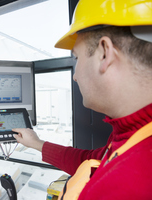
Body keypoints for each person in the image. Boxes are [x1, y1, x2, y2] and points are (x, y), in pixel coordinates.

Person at [12, 0, 152, 199]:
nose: (74, 76)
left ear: (105, 53)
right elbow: (94, 160)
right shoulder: (132, 135)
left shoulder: (124, 186)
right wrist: (37, 143)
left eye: (76, 58)